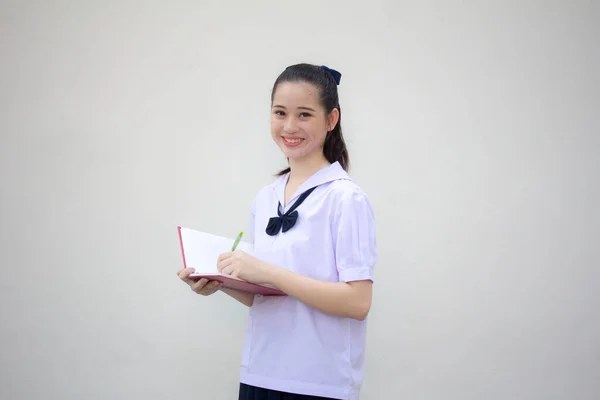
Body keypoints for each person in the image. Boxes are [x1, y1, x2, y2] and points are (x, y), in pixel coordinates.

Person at [178, 63, 377, 400]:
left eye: (304, 115)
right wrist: (220, 282)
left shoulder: (345, 197)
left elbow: (358, 302)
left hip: (318, 383)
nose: (289, 126)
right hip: (260, 373)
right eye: (280, 112)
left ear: (331, 120)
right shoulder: (266, 197)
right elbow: (267, 295)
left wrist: (267, 271)